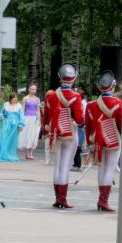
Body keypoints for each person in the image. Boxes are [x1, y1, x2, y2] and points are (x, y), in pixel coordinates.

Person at [43, 64, 84, 209]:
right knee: (66, 166)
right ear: (74, 79)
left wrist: (45, 131)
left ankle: (57, 198)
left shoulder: (51, 95)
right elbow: (79, 119)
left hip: (54, 133)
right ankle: (63, 198)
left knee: (57, 166)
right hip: (70, 133)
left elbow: (46, 116)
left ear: (60, 78)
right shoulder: (76, 96)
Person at [85, 71, 122, 212]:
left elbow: (88, 125)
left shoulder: (92, 105)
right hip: (113, 139)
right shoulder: (118, 103)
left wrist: (88, 142)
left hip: (97, 139)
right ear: (113, 87)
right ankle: (103, 201)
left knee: (101, 169)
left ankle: (101, 200)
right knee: (110, 168)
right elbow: (121, 124)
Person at [0, 93, 25, 162]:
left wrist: (21, 125)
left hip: (15, 124)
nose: (15, 99)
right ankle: (4, 154)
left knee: (12, 140)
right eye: (14, 98)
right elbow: (1, 113)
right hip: (6, 124)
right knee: (5, 138)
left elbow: (22, 116)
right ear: (10, 99)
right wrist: (2, 117)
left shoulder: (19, 106)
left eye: (16, 98)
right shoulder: (6, 105)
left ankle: (10, 154)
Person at [18, 83, 41, 159]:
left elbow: (38, 110)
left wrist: (39, 119)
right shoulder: (25, 98)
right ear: (29, 89)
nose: (34, 90)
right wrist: (22, 120)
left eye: (35, 89)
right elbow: (22, 110)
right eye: (32, 89)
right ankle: (27, 152)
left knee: (33, 135)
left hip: (34, 118)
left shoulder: (37, 99)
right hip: (27, 118)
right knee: (27, 134)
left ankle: (31, 151)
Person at [72, 88, 88, 170]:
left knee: (79, 145)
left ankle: (77, 165)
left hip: (80, 126)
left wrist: (80, 124)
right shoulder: (76, 102)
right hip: (75, 125)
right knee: (75, 145)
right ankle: (75, 163)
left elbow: (84, 115)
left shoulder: (83, 103)